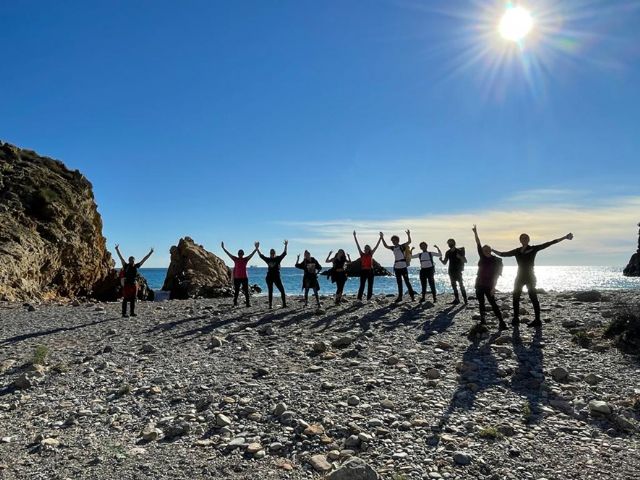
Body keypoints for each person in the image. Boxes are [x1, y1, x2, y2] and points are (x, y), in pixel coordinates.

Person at [493, 231, 574, 328]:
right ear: (520, 240)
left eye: (526, 238)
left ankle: (537, 320)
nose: (524, 239)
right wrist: (492, 250)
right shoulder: (517, 251)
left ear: (528, 240)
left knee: (533, 297)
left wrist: (565, 237)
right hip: (520, 276)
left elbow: (549, 243)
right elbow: (503, 254)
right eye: (522, 238)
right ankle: (515, 319)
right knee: (515, 297)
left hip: (530, 276)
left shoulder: (533, 249)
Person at [472, 225, 507, 330]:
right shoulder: (482, 257)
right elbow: (478, 243)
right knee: (481, 302)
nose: (486, 251)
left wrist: (493, 287)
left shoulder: (495, 260)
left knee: (493, 303)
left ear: (491, 250)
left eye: (488, 249)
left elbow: (496, 275)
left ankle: (501, 322)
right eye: (484, 249)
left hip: (489, 285)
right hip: (479, 283)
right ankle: (483, 320)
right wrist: (475, 233)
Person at [114, 244, 154, 318]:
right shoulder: (126, 265)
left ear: (134, 261)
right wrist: (117, 249)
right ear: (129, 260)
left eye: (133, 260)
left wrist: (150, 253)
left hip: (134, 284)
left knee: (133, 299)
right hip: (127, 285)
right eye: (130, 260)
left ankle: (132, 312)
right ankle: (124, 313)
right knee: (125, 299)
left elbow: (144, 260)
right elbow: (120, 257)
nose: (131, 261)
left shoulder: (136, 266)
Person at [380, 230, 415, 303]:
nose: (393, 241)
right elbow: (386, 246)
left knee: (407, 282)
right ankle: (400, 297)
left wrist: (408, 234)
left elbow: (409, 242)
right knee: (399, 283)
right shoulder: (393, 248)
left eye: (394, 240)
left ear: (398, 240)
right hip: (396, 267)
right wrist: (382, 238)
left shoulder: (402, 246)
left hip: (403, 266)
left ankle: (412, 296)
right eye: (392, 240)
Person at [221, 241, 259, 307]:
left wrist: (256, 248)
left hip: (244, 277)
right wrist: (223, 248)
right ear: (238, 254)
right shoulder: (235, 259)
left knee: (246, 291)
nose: (240, 254)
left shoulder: (245, 259)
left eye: (241, 253)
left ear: (243, 254)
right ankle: (235, 302)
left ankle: (248, 303)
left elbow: (251, 254)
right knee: (237, 291)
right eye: (239, 253)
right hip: (237, 278)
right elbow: (228, 254)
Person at [257, 240, 288, 309]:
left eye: (273, 253)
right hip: (269, 277)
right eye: (271, 253)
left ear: (275, 253)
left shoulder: (278, 259)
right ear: (270, 253)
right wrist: (257, 248)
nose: (272, 254)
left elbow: (284, 253)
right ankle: (270, 305)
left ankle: (284, 304)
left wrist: (286, 245)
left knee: (282, 290)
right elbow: (261, 256)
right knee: (270, 291)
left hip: (277, 277)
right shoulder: (268, 259)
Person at [353, 231, 382, 301]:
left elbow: (376, 246)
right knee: (362, 285)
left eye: (367, 248)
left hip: (370, 271)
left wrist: (380, 238)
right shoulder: (362, 254)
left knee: (370, 285)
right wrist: (355, 236)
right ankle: (359, 298)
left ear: (369, 249)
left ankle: (369, 298)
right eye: (365, 248)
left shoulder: (371, 254)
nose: (366, 249)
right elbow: (357, 245)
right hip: (363, 271)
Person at [440, 238, 467, 304]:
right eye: (449, 243)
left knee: (461, 285)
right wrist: (441, 260)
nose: (450, 244)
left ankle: (465, 299)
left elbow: (465, 261)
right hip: (451, 271)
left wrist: (460, 257)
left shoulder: (459, 251)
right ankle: (457, 299)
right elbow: (445, 263)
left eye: (451, 243)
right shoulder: (448, 252)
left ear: (454, 243)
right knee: (454, 286)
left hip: (458, 271)